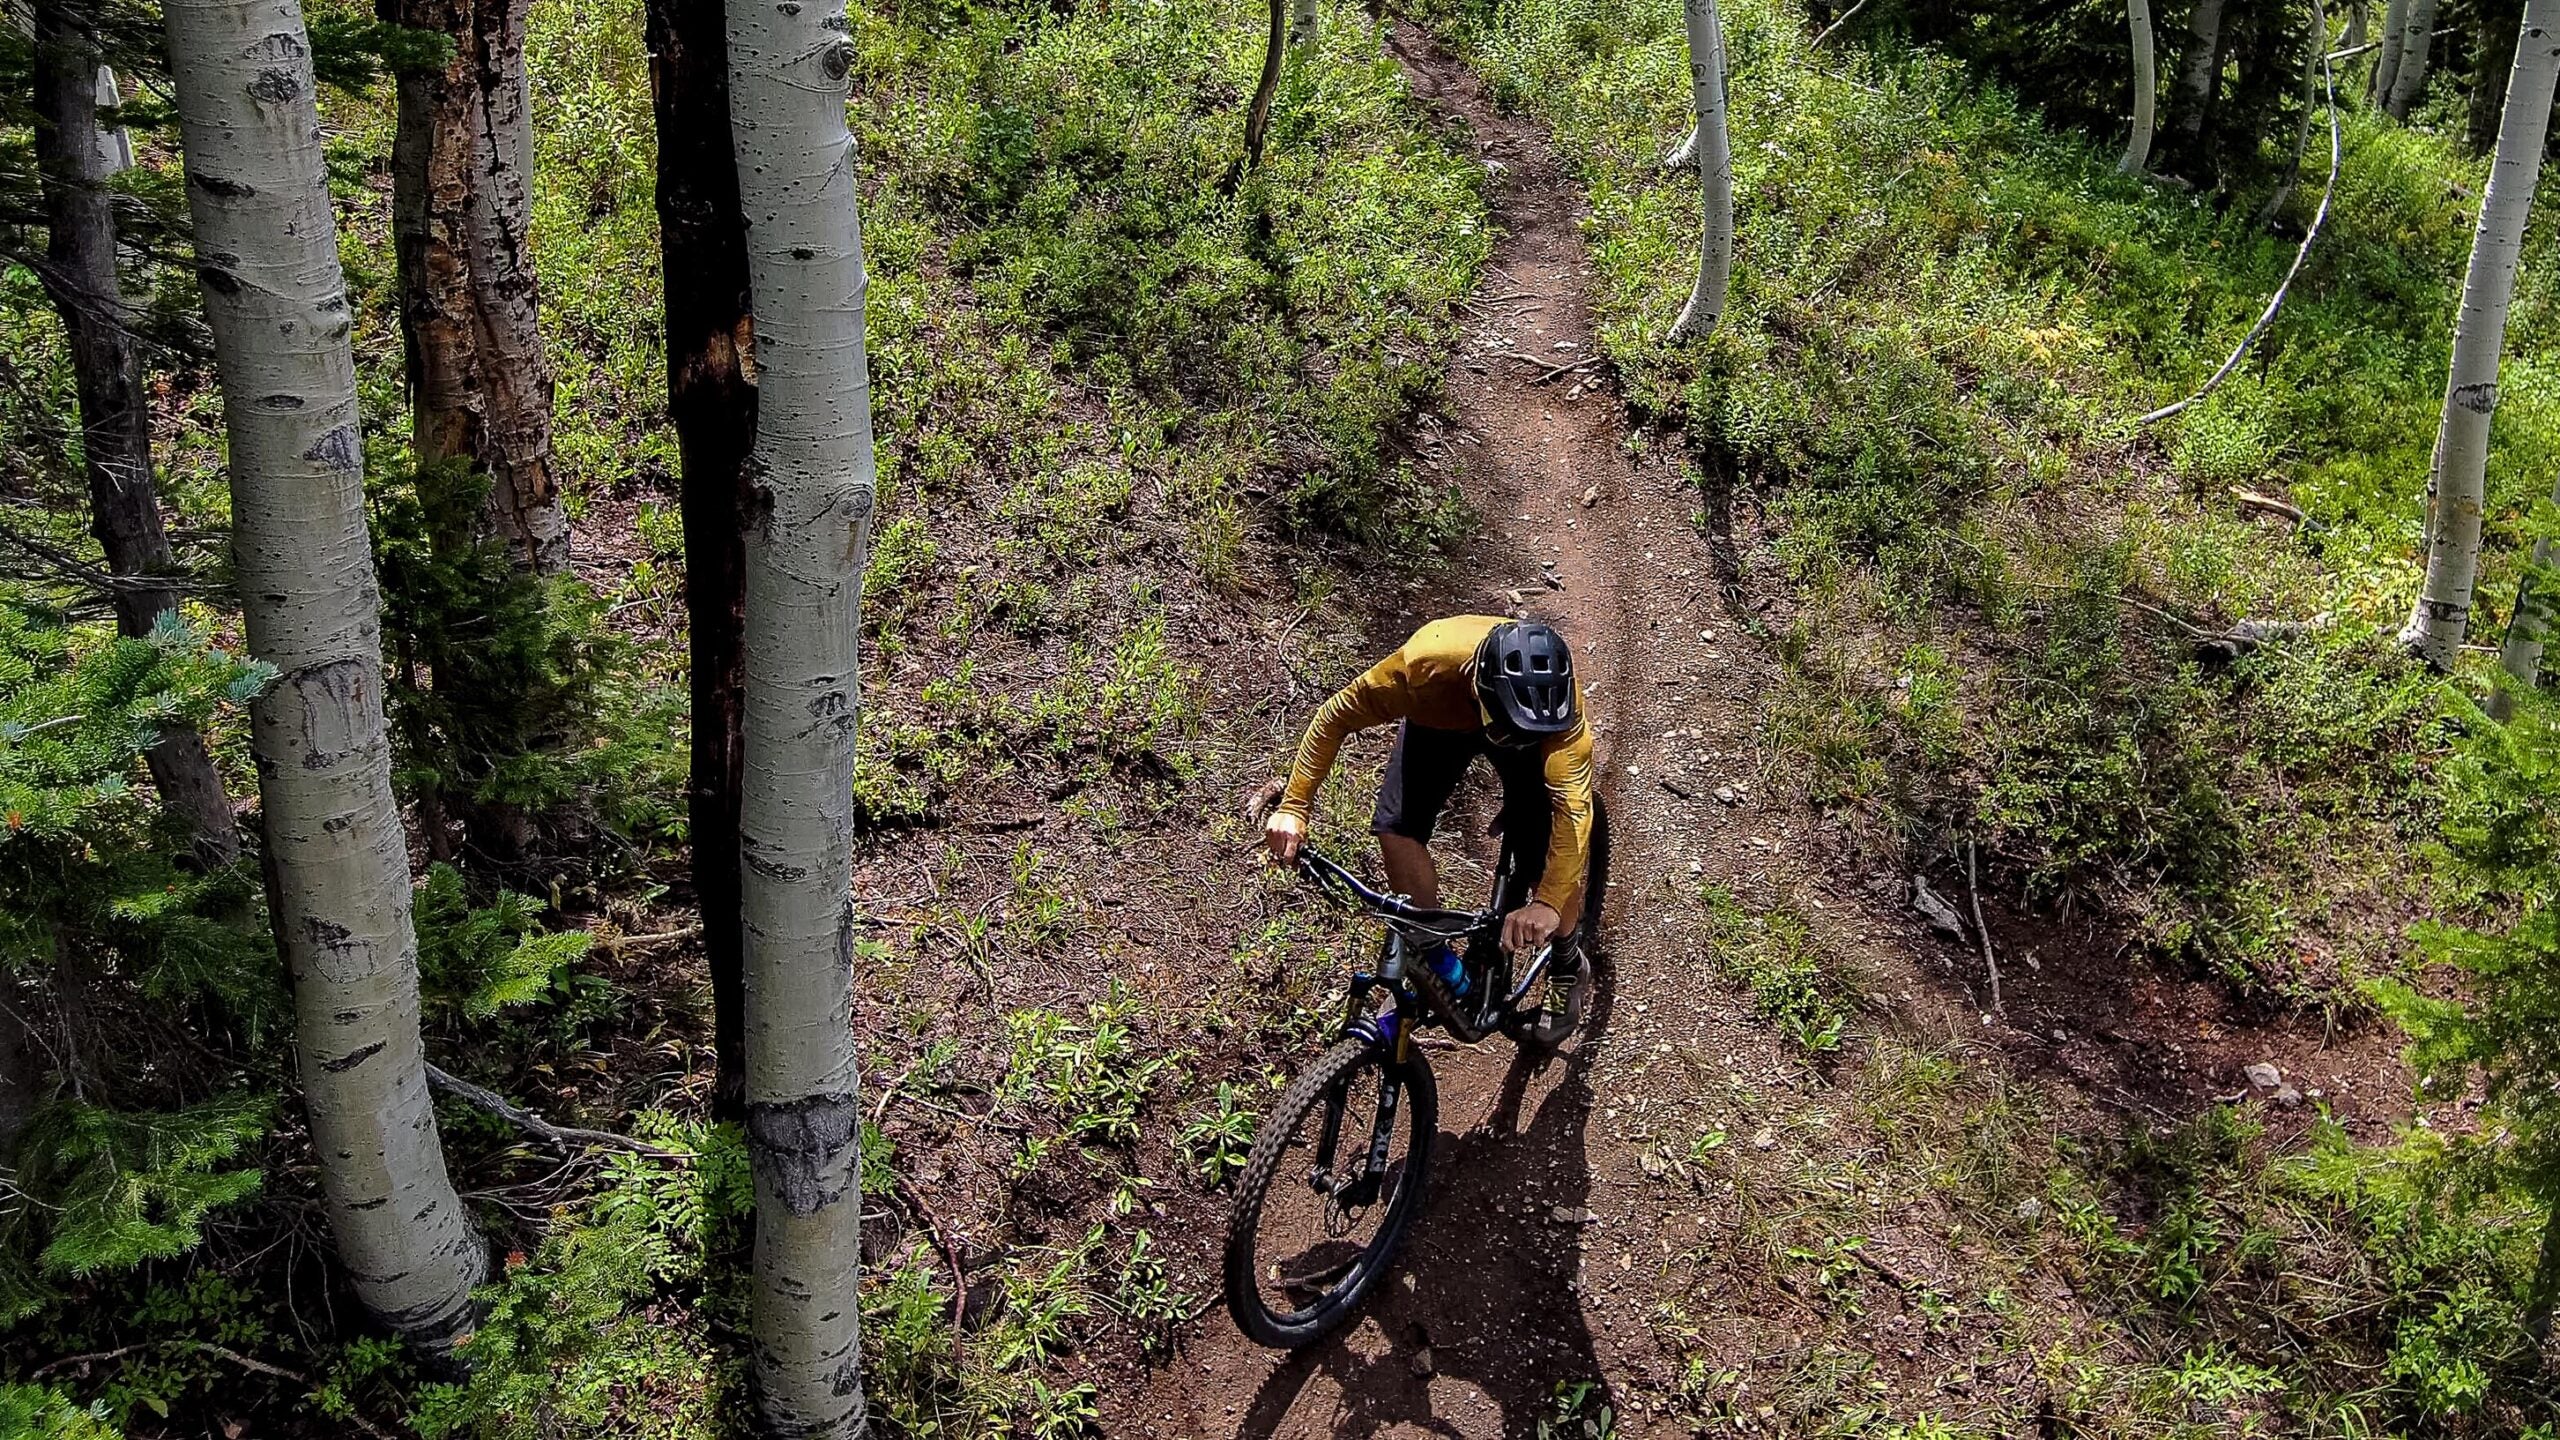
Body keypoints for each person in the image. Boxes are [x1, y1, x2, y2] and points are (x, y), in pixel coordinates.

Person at [1262, 615, 1596, 998]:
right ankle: (1432, 953)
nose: (1514, 743)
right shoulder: (1423, 671)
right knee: (1397, 829)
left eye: (1521, 737)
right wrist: (1294, 806)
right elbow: (1334, 718)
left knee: (1545, 857)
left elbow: (1572, 810)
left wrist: (1548, 904)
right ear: (1479, 685)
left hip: (1533, 729)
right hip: (1443, 711)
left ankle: (1568, 964)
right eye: (1507, 733)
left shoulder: (1561, 713)